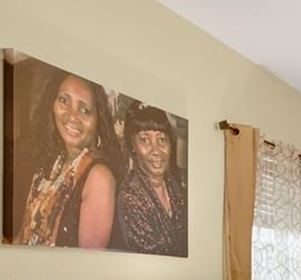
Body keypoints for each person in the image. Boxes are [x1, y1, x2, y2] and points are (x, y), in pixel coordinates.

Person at [15, 65, 120, 248]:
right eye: (64, 100)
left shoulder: (99, 178)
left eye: (85, 110)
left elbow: (88, 267)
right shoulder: (48, 165)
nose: (72, 117)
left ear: (98, 121)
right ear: (52, 104)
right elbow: (22, 235)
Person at [113, 104, 187, 256]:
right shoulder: (130, 197)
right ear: (133, 145)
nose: (156, 150)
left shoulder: (174, 186)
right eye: (145, 140)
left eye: (161, 139)